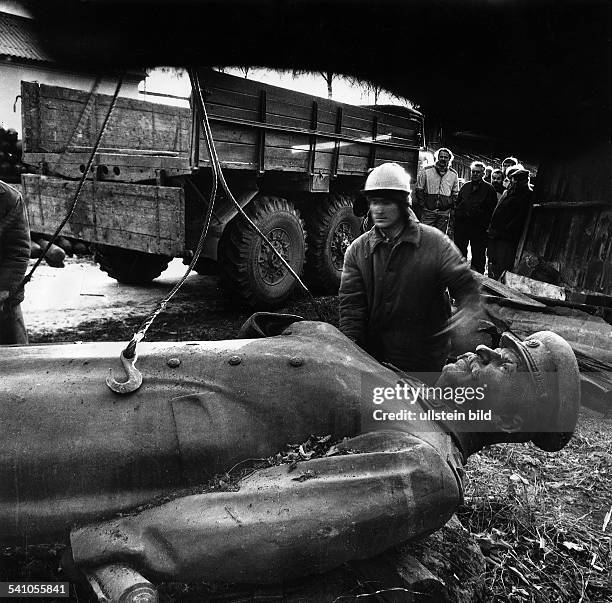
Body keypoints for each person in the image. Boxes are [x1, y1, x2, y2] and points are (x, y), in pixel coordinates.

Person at [0, 315, 580, 592]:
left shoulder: (425, 465)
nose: (483, 354)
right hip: (108, 371)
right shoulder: (396, 381)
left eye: (506, 365)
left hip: (126, 435)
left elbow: (280, 513)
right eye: (496, 347)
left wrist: (132, 548)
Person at [339, 162, 482, 375]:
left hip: (425, 360)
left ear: (404, 203)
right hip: (375, 358)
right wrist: (350, 351)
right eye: (374, 202)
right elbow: (352, 307)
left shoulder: (436, 243)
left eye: (386, 202)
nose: (378, 209)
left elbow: (467, 291)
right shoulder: (358, 251)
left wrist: (462, 325)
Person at [487, 167, 533, 280]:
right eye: (513, 179)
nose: (515, 182)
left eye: (519, 180)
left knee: (503, 264)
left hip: (507, 237)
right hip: (495, 234)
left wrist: (506, 230)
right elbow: (497, 210)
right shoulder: (508, 192)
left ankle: (499, 286)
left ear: (525, 181)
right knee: (492, 260)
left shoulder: (527, 195)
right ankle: (491, 282)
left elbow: (520, 217)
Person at [453, 161, 498, 274]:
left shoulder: (489, 189)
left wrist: (485, 225)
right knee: (459, 253)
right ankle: (459, 276)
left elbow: (492, 210)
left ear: (483, 174)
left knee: (478, 255)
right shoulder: (465, 187)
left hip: (479, 228)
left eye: (478, 172)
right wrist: (458, 216)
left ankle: (478, 279)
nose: (475, 174)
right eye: (473, 172)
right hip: (462, 226)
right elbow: (457, 204)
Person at [0, 179, 30, 344]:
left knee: (18, 361)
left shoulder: (10, 199)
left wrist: (3, 291)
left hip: (5, 299)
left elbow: (18, 252)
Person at [414, 147, 459, 233]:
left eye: (446, 157)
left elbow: (455, 193)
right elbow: (419, 189)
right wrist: (424, 205)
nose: (443, 159)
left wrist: (449, 206)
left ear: (449, 159)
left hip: (444, 213)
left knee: (441, 237)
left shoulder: (453, 174)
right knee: (425, 235)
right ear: (437, 157)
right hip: (428, 211)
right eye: (441, 156)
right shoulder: (426, 170)